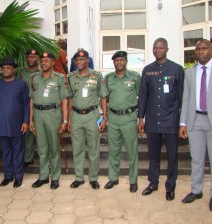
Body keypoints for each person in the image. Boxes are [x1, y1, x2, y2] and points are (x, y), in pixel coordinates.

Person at [180, 39, 212, 211]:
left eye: (203, 49)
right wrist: (183, 122)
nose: (200, 52)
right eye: (197, 49)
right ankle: (196, 190)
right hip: (195, 121)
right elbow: (186, 98)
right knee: (197, 159)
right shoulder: (190, 72)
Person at [138, 38, 184, 201]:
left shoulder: (176, 69)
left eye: (160, 48)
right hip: (152, 120)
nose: (157, 50)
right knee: (153, 156)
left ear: (166, 49)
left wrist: (182, 121)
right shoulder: (147, 70)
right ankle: (153, 183)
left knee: (172, 157)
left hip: (171, 120)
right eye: (154, 47)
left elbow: (181, 97)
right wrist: (140, 118)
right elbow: (143, 96)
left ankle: (170, 187)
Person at [68, 50, 108, 190]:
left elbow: (103, 97)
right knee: (77, 149)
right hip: (76, 116)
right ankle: (79, 177)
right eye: (77, 60)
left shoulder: (96, 76)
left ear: (87, 60)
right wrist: (68, 119)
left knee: (93, 149)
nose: (79, 62)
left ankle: (93, 178)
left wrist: (104, 117)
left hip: (92, 116)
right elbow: (68, 98)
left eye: (82, 60)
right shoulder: (71, 77)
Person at [30, 52, 68, 190]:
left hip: (53, 114)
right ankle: (43, 176)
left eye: (47, 60)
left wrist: (64, 120)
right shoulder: (35, 78)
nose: (44, 62)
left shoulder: (59, 78)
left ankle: (55, 177)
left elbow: (64, 99)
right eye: (42, 60)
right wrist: (31, 119)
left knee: (54, 147)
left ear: (53, 63)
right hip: (38, 114)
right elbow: (31, 99)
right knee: (42, 147)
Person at [104, 51, 140, 192]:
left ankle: (133, 181)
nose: (119, 62)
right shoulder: (108, 79)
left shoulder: (135, 77)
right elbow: (104, 98)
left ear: (126, 61)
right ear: (113, 62)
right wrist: (105, 117)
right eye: (116, 60)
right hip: (113, 119)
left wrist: (140, 118)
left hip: (129, 118)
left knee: (132, 151)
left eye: (121, 60)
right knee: (113, 151)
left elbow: (141, 96)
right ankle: (113, 178)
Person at [0, 57, 29, 188]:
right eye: (3, 68)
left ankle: (18, 177)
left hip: (17, 124)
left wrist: (25, 121)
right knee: (6, 151)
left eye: (8, 68)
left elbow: (26, 105)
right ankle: (8, 176)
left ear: (14, 69)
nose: (5, 70)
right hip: (1, 124)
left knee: (18, 151)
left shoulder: (21, 84)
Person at [19, 49, 40, 167]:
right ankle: (28, 158)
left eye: (33, 56)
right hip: (25, 105)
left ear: (38, 58)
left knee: (40, 131)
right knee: (27, 133)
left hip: (39, 104)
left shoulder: (42, 71)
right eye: (29, 57)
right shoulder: (22, 72)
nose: (31, 59)